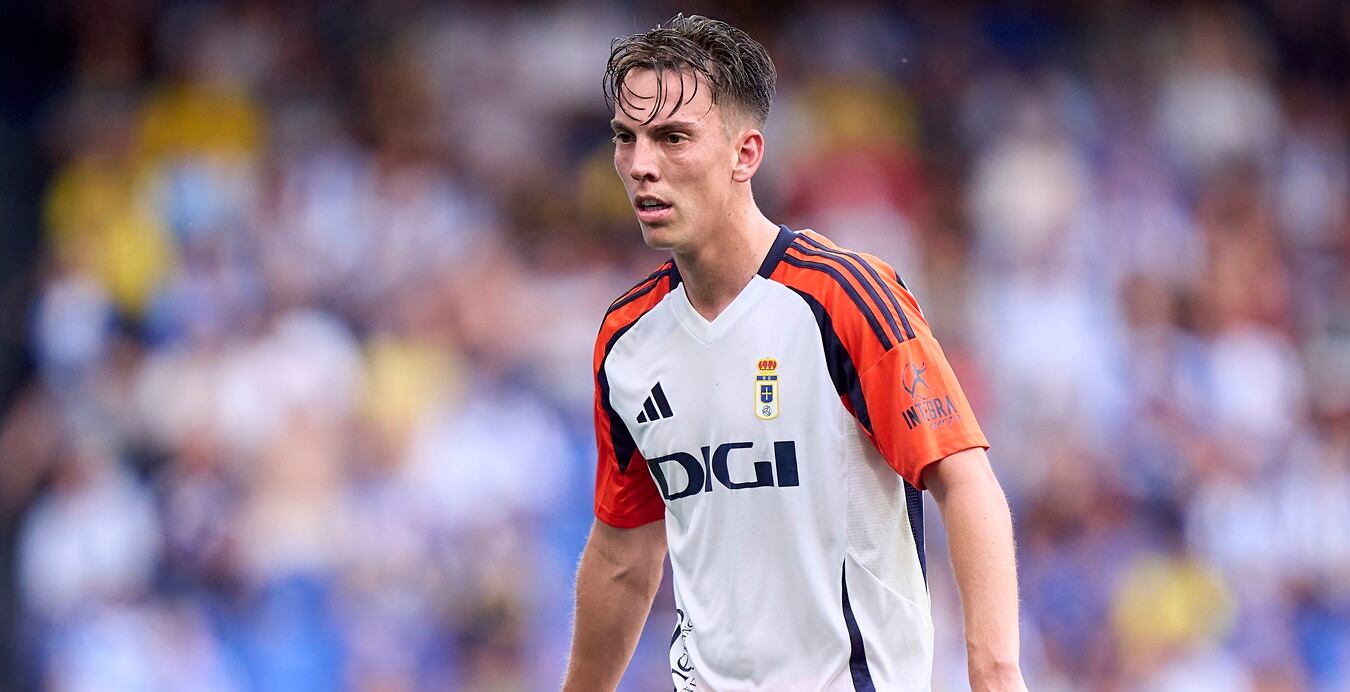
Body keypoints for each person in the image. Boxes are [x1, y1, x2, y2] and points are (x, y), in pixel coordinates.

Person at [563, 14, 1027, 692]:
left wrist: (995, 673)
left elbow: (964, 479)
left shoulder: (844, 298)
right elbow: (623, 555)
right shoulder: (627, 337)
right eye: (626, 139)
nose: (639, 165)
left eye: (672, 138)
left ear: (744, 154)